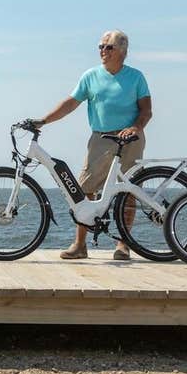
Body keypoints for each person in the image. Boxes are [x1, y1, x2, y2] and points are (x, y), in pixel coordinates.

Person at [33, 30, 151, 260]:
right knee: (83, 189)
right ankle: (80, 245)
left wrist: (136, 127)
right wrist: (44, 120)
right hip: (100, 138)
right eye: (100, 46)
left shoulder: (136, 77)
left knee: (127, 192)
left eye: (108, 47)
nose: (102, 51)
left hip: (130, 138)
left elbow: (146, 110)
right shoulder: (91, 76)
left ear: (122, 52)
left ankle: (123, 245)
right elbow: (70, 103)